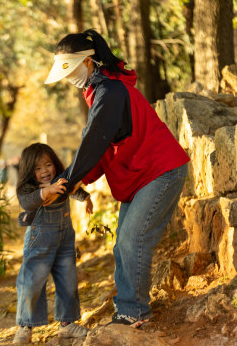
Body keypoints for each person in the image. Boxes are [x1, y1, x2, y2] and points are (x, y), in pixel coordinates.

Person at [44, 29, 190, 329]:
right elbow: (106, 146)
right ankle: (129, 309)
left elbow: (94, 141)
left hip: (161, 170)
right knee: (122, 245)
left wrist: (68, 181)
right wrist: (80, 181)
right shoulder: (99, 91)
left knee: (132, 239)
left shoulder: (110, 92)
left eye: (71, 70)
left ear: (87, 63)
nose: (70, 78)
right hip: (140, 174)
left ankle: (133, 312)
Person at [13, 143, 92, 345]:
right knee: (31, 281)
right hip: (39, 241)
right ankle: (25, 326)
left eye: (48, 165)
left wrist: (85, 197)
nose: (45, 171)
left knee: (68, 280)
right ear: (30, 172)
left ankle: (67, 324)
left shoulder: (60, 180)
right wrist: (46, 191)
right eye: (38, 169)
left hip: (65, 240)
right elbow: (26, 203)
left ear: (54, 164)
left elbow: (70, 189)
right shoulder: (29, 189)